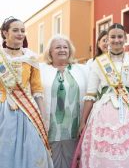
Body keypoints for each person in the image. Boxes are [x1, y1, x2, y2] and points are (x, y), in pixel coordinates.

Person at [74, 23, 129, 168]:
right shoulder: (98, 63)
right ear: (107, 40)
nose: (116, 40)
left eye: (120, 36)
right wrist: (83, 121)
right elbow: (90, 94)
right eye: (112, 37)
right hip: (103, 112)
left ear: (125, 39)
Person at [0, 17, 53, 168]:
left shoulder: (30, 58)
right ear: (5, 33)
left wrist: (42, 116)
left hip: (28, 111)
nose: (20, 34)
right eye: (15, 30)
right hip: (3, 109)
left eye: (22, 30)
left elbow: (37, 89)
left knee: (32, 149)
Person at [40, 35, 88, 168]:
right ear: (50, 51)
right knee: (49, 160)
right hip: (50, 125)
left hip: (74, 124)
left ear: (70, 50)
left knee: (72, 160)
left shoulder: (82, 69)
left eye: (65, 47)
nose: (62, 50)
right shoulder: (41, 70)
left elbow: (91, 94)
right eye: (58, 47)